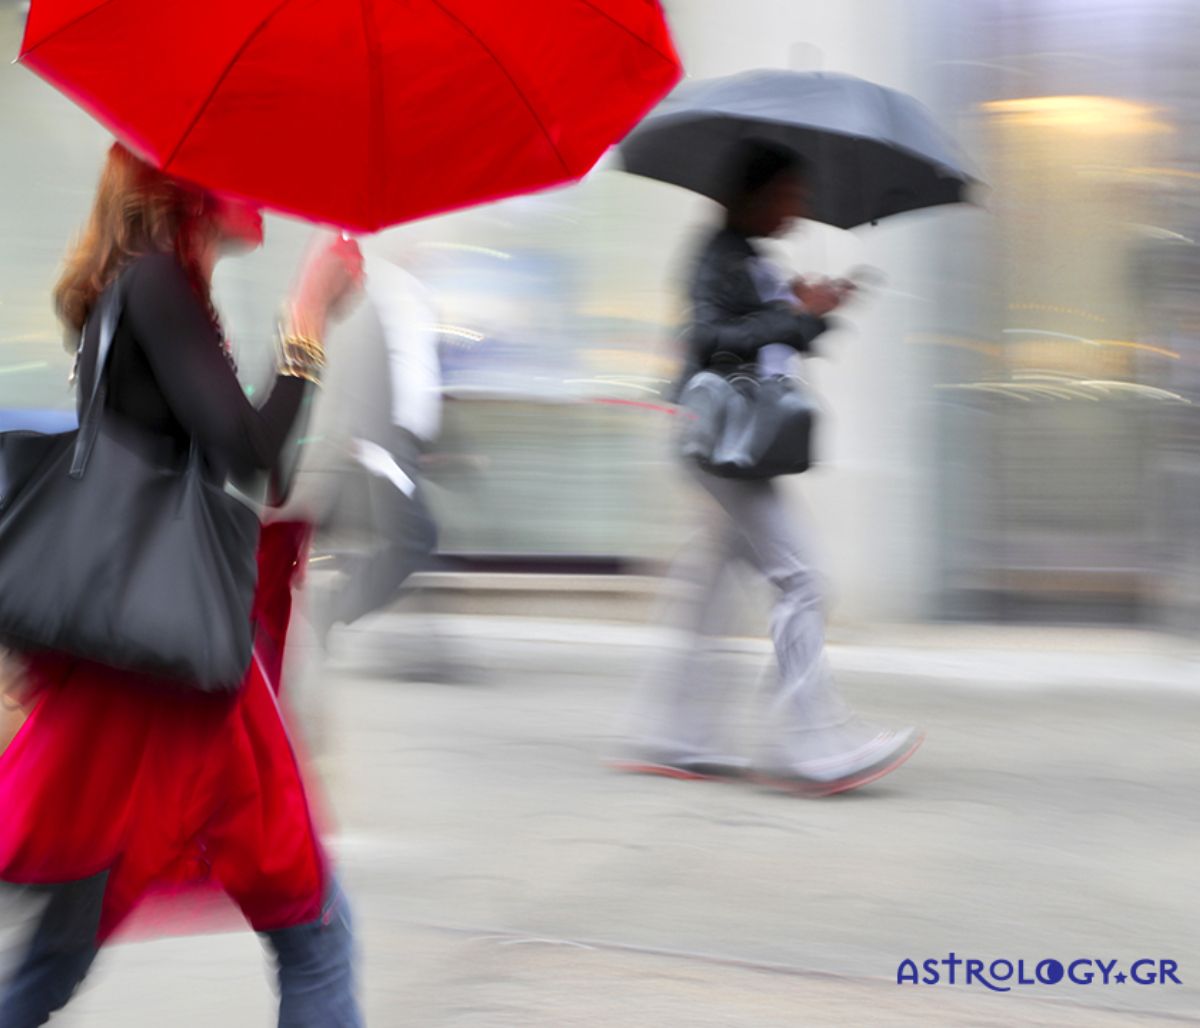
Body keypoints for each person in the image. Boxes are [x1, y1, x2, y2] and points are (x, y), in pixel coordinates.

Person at [0, 142, 365, 1025]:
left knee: (60, 951)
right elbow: (249, 450)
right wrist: (310, 314)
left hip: (142, 664)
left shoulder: (153, 286)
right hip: (177, 662)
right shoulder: (156, 282)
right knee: (314, 930)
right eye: (248, 165)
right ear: (190, 183)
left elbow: (233, 446)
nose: (267, 189)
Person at [616, 139, 922, 796]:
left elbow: (771, 340)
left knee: (709, 590)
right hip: (726, 443)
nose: (799, 210)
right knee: (805, 582)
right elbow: (710, 341)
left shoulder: (748, 258)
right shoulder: (718, 255)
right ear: (753, 193)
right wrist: (791, 313)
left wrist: (816, 312)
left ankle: (678, 737)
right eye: (790, 195)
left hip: (733, 441)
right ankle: (810, 746)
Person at [297, 252, 441, 647]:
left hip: (402, 445)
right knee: (415, 537)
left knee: (405, 537)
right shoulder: (374, 284)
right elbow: (353, 357)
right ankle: (328, 608)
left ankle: (329, 607)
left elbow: (415, 369)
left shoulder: (413, 293)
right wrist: (363, 439)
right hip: (379, 444)